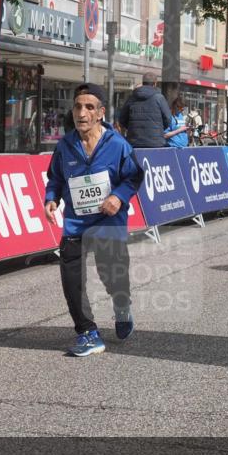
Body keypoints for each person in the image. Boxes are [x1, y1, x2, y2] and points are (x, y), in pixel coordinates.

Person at [44, 83, 144, 357]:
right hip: (76, 223)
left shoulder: (118, 145)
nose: (82, 112)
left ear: (101, 113)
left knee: (112, 274)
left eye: (89, 107)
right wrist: (51, 199)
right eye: (77, 106)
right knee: (71, 278)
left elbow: (134, 176)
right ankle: (87, 332)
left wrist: (118, 197)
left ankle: (121, 306)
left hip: (108, 221)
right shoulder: (65, 146)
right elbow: (55, 177)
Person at [117, 71, 171, 148]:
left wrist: (133, 129)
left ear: (143, 82)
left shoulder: (132, 97)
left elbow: (122, 119)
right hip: (156, 143)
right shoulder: (159, 98)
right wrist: (158, 129)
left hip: (134, 142)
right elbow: (168, 119)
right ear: (155, 83)